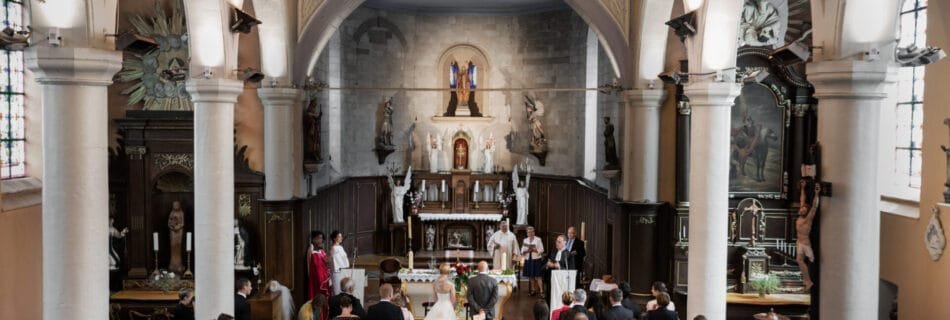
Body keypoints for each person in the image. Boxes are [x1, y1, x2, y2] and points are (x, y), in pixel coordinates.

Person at [797, 181, 821, 290]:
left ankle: (811, 279)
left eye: (803, 209)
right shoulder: (800, 217)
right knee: (799, 260)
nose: (801, 209)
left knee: (812, 261)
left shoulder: (807, 219)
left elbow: (814, 207)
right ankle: (807, 281)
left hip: (806, 243)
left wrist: (816, 193)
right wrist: (803, 188)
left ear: (806, 212)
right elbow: (802, 199)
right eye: (801, 208)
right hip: (799, 242)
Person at [544, 235, 570, 302]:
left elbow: (572, 269)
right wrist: (548, 264)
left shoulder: (568, 254)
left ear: (565, 242)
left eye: (559, 242)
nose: (557, 243)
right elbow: (545, 262)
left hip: (562, 281)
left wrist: (560, 267)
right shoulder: (553, 251)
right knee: (549, 298)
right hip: (551, 279)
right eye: (556, 241)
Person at [522, 226, 546, 296]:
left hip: (536, 259)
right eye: (528, 232)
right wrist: (527, 250)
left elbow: (542, 250)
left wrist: (534, 250)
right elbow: (522, 251)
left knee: (538, 275)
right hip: (528, 259)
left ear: (534, 232)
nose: (530, 234)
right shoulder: (525, 240)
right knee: (531, 276)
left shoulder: (538, 239)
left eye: (531, 232)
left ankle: (541, 291)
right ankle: (533, 290)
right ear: (527, 233)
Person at [308, 231, 332, 301]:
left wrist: (329, 257)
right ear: (313, 239)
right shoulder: (312, 252)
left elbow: (326, 263)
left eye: (321, 238)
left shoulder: (322, 251)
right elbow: (314, 267)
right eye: (318, 238)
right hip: (317, 279)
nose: (320, 240)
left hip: (324, 278)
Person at [329, 231, 350, 295]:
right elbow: (333, 260)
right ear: (334, 238)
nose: (341, 238)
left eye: (341, 236)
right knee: (337, 289)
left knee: (343, 289)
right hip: (337, 271)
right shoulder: (334, 248)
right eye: (339, 236)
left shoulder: (340, 247)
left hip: (342, 270)